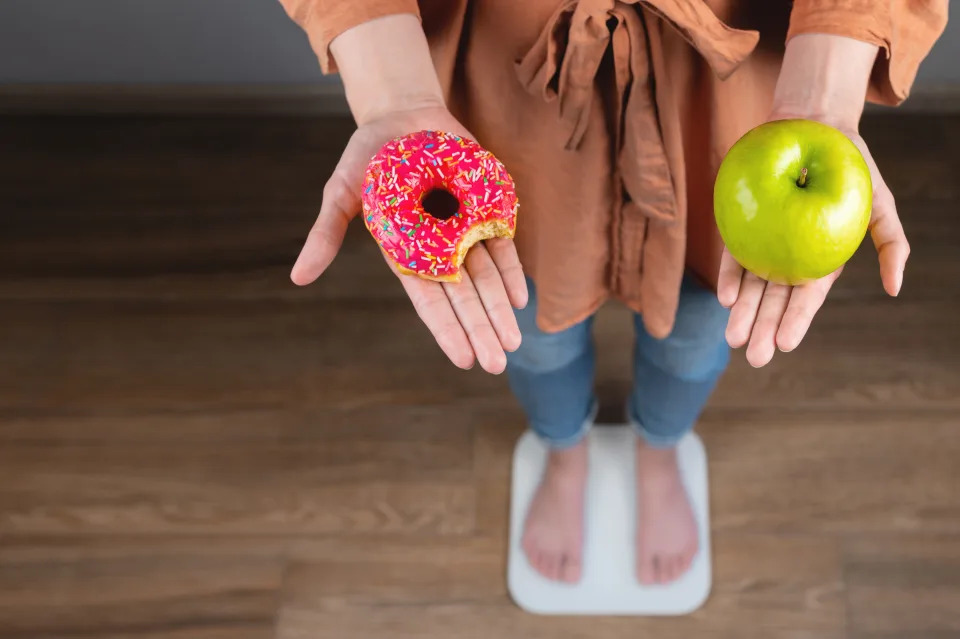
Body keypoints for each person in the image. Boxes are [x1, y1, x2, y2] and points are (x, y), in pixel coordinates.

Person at [280, 0, 947, 586]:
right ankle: (563, 449)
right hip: (518, 90)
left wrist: (827, 84)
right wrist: (393, 91)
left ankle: (660, 448)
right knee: (531, 326)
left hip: (736, 98)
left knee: (698, 330)